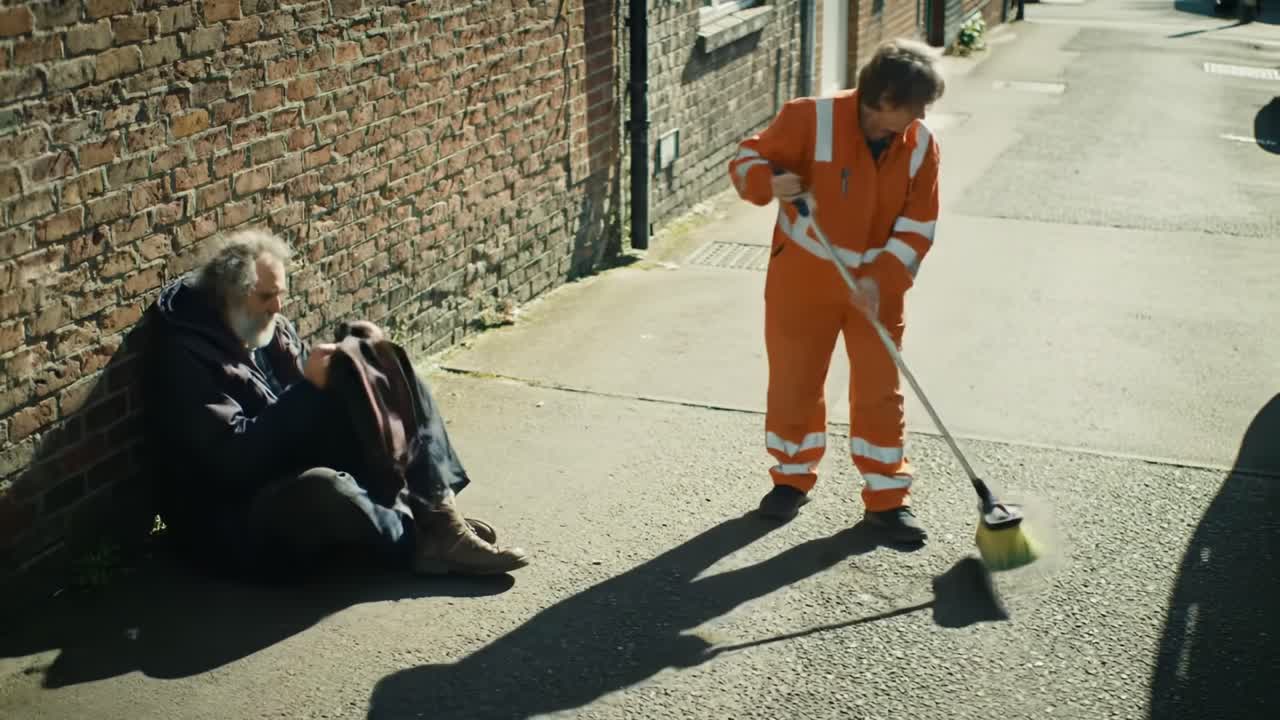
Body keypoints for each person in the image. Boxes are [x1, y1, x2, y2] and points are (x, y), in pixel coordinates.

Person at [142, 228, 530, 579]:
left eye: (281, 294)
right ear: (228, 297)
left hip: (286, 459)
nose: (278, 308)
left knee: (382, 364)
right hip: (240, 513)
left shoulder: (263, 324)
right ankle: (418, 535)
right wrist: (309, 389)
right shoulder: (185, 356)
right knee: (326, 490)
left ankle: (440, 520)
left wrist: (359, 369)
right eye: (265, 297)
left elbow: (307, 410)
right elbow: (232, 461)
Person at [727, 39, 945, 543]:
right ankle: (791, 479)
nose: (923, 115)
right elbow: (745, 160)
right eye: (916, 105)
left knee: (879, 391)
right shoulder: (808, 118)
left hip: (875, 288)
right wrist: (769, 179)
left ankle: (888, 499)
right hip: (802, 279)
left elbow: (919, 225)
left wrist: (881, 279)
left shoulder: (921, 145)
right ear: (883, 100)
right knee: (795, 380)